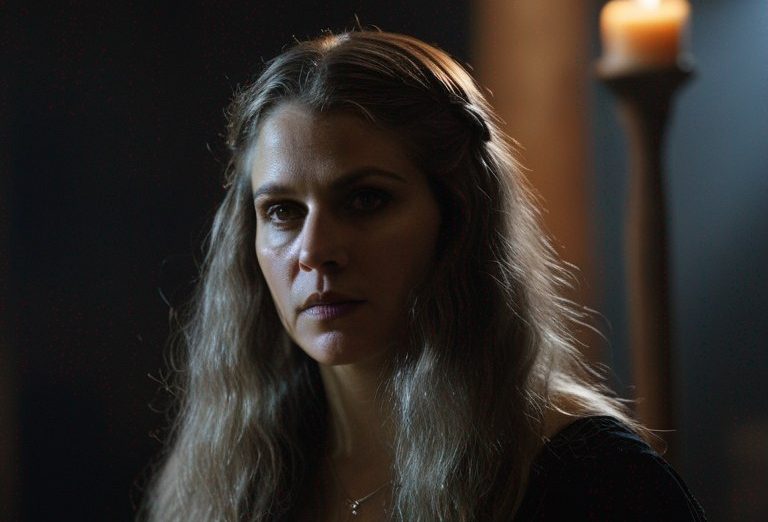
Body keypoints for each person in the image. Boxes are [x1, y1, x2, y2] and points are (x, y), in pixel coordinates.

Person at [142, 30, 705, 521]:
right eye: (283, 211)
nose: (315, 251)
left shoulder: (593, 478)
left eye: (366, 199)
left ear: (458, 216)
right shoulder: (240, 476)